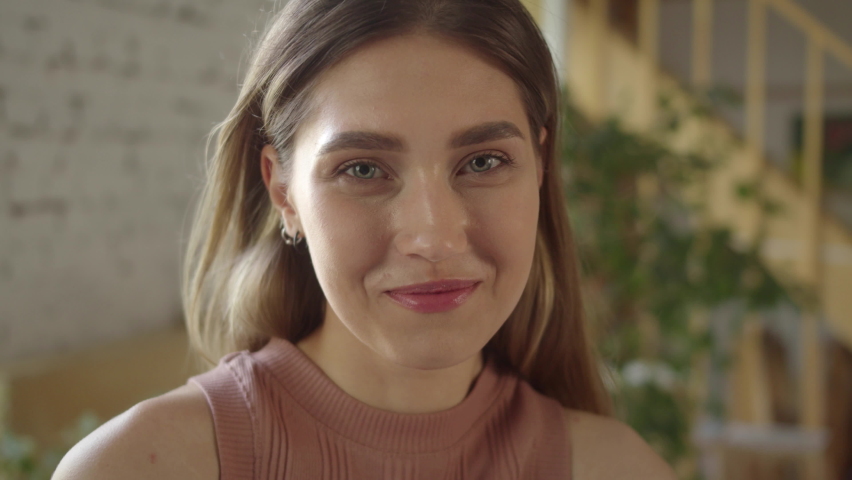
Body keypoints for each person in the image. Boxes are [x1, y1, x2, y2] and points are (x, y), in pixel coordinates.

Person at [54, 0, 677, 478]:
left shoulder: (617, 468)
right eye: (362, 169)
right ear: (283, 192)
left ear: (540, 166)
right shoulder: (136, 468)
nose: (432, 237)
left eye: (483, 162)